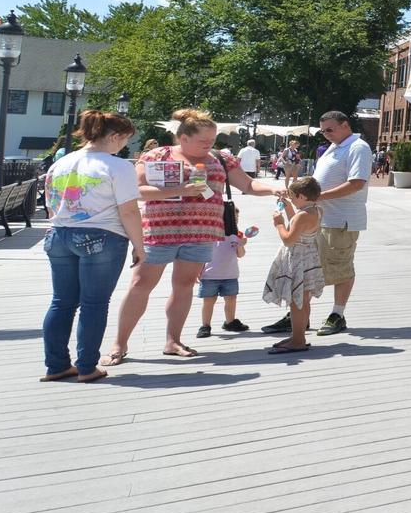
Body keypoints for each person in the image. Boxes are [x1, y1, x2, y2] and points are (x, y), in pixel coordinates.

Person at [108, 108, 280, 365]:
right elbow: (138, 191)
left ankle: (173, 341)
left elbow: (247, 185)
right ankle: (119, 345)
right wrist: (182, 189)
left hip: (201, 232)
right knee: (140, 286)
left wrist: (275, 189)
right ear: (183, 137)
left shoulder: (221, 158)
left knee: (185, 286)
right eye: (203, 141)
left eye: (212, 140)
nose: (209, 145)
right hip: (158, 231)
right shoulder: (158, 155)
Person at [38, 110, 145, 382]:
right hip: (102, 236)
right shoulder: (118, 166)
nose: (124, 146)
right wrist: (139, 245)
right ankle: (86, 366)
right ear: (115, 136)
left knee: (61, 302)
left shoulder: (59, 163)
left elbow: (51, 205)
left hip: (60, 234)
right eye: (125, 140)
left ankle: (56, 364)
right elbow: (129, 211)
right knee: (94, 304)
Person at [267, 110, 373, 337]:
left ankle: (337, 314)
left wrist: (316, 198)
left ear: (345, 125)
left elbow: (356, 184)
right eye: (323, 131)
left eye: (330, 129)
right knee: (309, 268)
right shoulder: (335, 146)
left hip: (341, 220)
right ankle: (299, 317)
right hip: (320, 218)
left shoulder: (358, 147)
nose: (325, 134)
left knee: (340, 267)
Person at [263, 176, 326, 353]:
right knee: (304, 299)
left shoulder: (303, 215)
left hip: (298, 258)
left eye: (292, 197)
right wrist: (290, 208)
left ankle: (298, 340)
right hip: (310, 258)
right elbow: (298, 224)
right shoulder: (316, 210)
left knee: (296, 301)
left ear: (301, 196)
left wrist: (279, 224)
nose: (291, 200)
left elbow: (289, 239)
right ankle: (299, 335)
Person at [196, 222, 255, 338]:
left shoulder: (236, 235)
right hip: (210, 275)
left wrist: (241, 245)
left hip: (230, 274)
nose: (235, 220)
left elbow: (240, 255)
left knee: (231, 299)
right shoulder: (210, 234)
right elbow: (202, 254)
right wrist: (197, 270)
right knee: (208, 301)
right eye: (232, 217)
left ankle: (230, 322)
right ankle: (205, 326)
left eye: (236, 217)